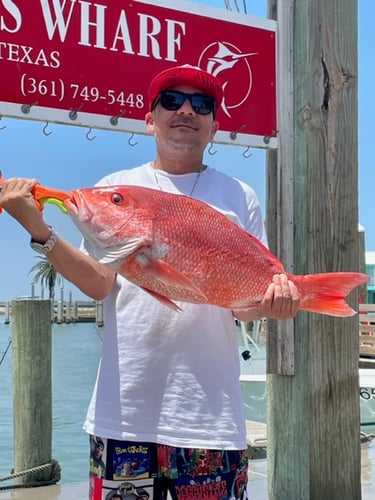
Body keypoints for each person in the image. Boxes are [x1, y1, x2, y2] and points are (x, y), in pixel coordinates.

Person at [0, 64, 300, 499]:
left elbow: (241, 304)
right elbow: (100, 284)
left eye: (201, 105)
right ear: (149, 118)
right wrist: (39, 229)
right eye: (171, 101)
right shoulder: (114, 188)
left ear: (215, 126)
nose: (186, 111)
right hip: (122, 415)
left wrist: (276, 301)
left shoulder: (239, 196)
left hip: (209, 420)